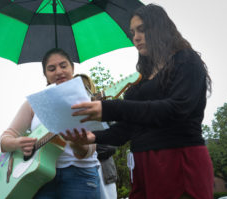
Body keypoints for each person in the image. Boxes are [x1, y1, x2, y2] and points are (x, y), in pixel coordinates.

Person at [61, 4, 214, 199]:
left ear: (160, 28)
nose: (136, 37)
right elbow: (127, 129)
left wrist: (108, 108)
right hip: (143, 164)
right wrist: (93, 137)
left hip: (177, 158)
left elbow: (176, 109)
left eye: (142, 29)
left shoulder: (186, 60)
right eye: (132, 32)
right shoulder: (142, 79)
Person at [0, 48, 100, 199]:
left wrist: (77, 144)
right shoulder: (33, 104)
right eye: (51, 69)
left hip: (80, 176)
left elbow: (90, 149)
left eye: (63, 66)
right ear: (45, 75)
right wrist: (17, 144)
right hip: (38, 179)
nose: (58, 71)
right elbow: (5, 139)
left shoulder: (87, 101)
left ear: (72, 68)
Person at [74, 73, 118, 199]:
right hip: (79, 173)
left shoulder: (104, 108)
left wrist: (91, 148)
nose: (82, 89)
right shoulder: (72, 113)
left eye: (86, 86)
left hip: (104, 171)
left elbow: (114, 142)